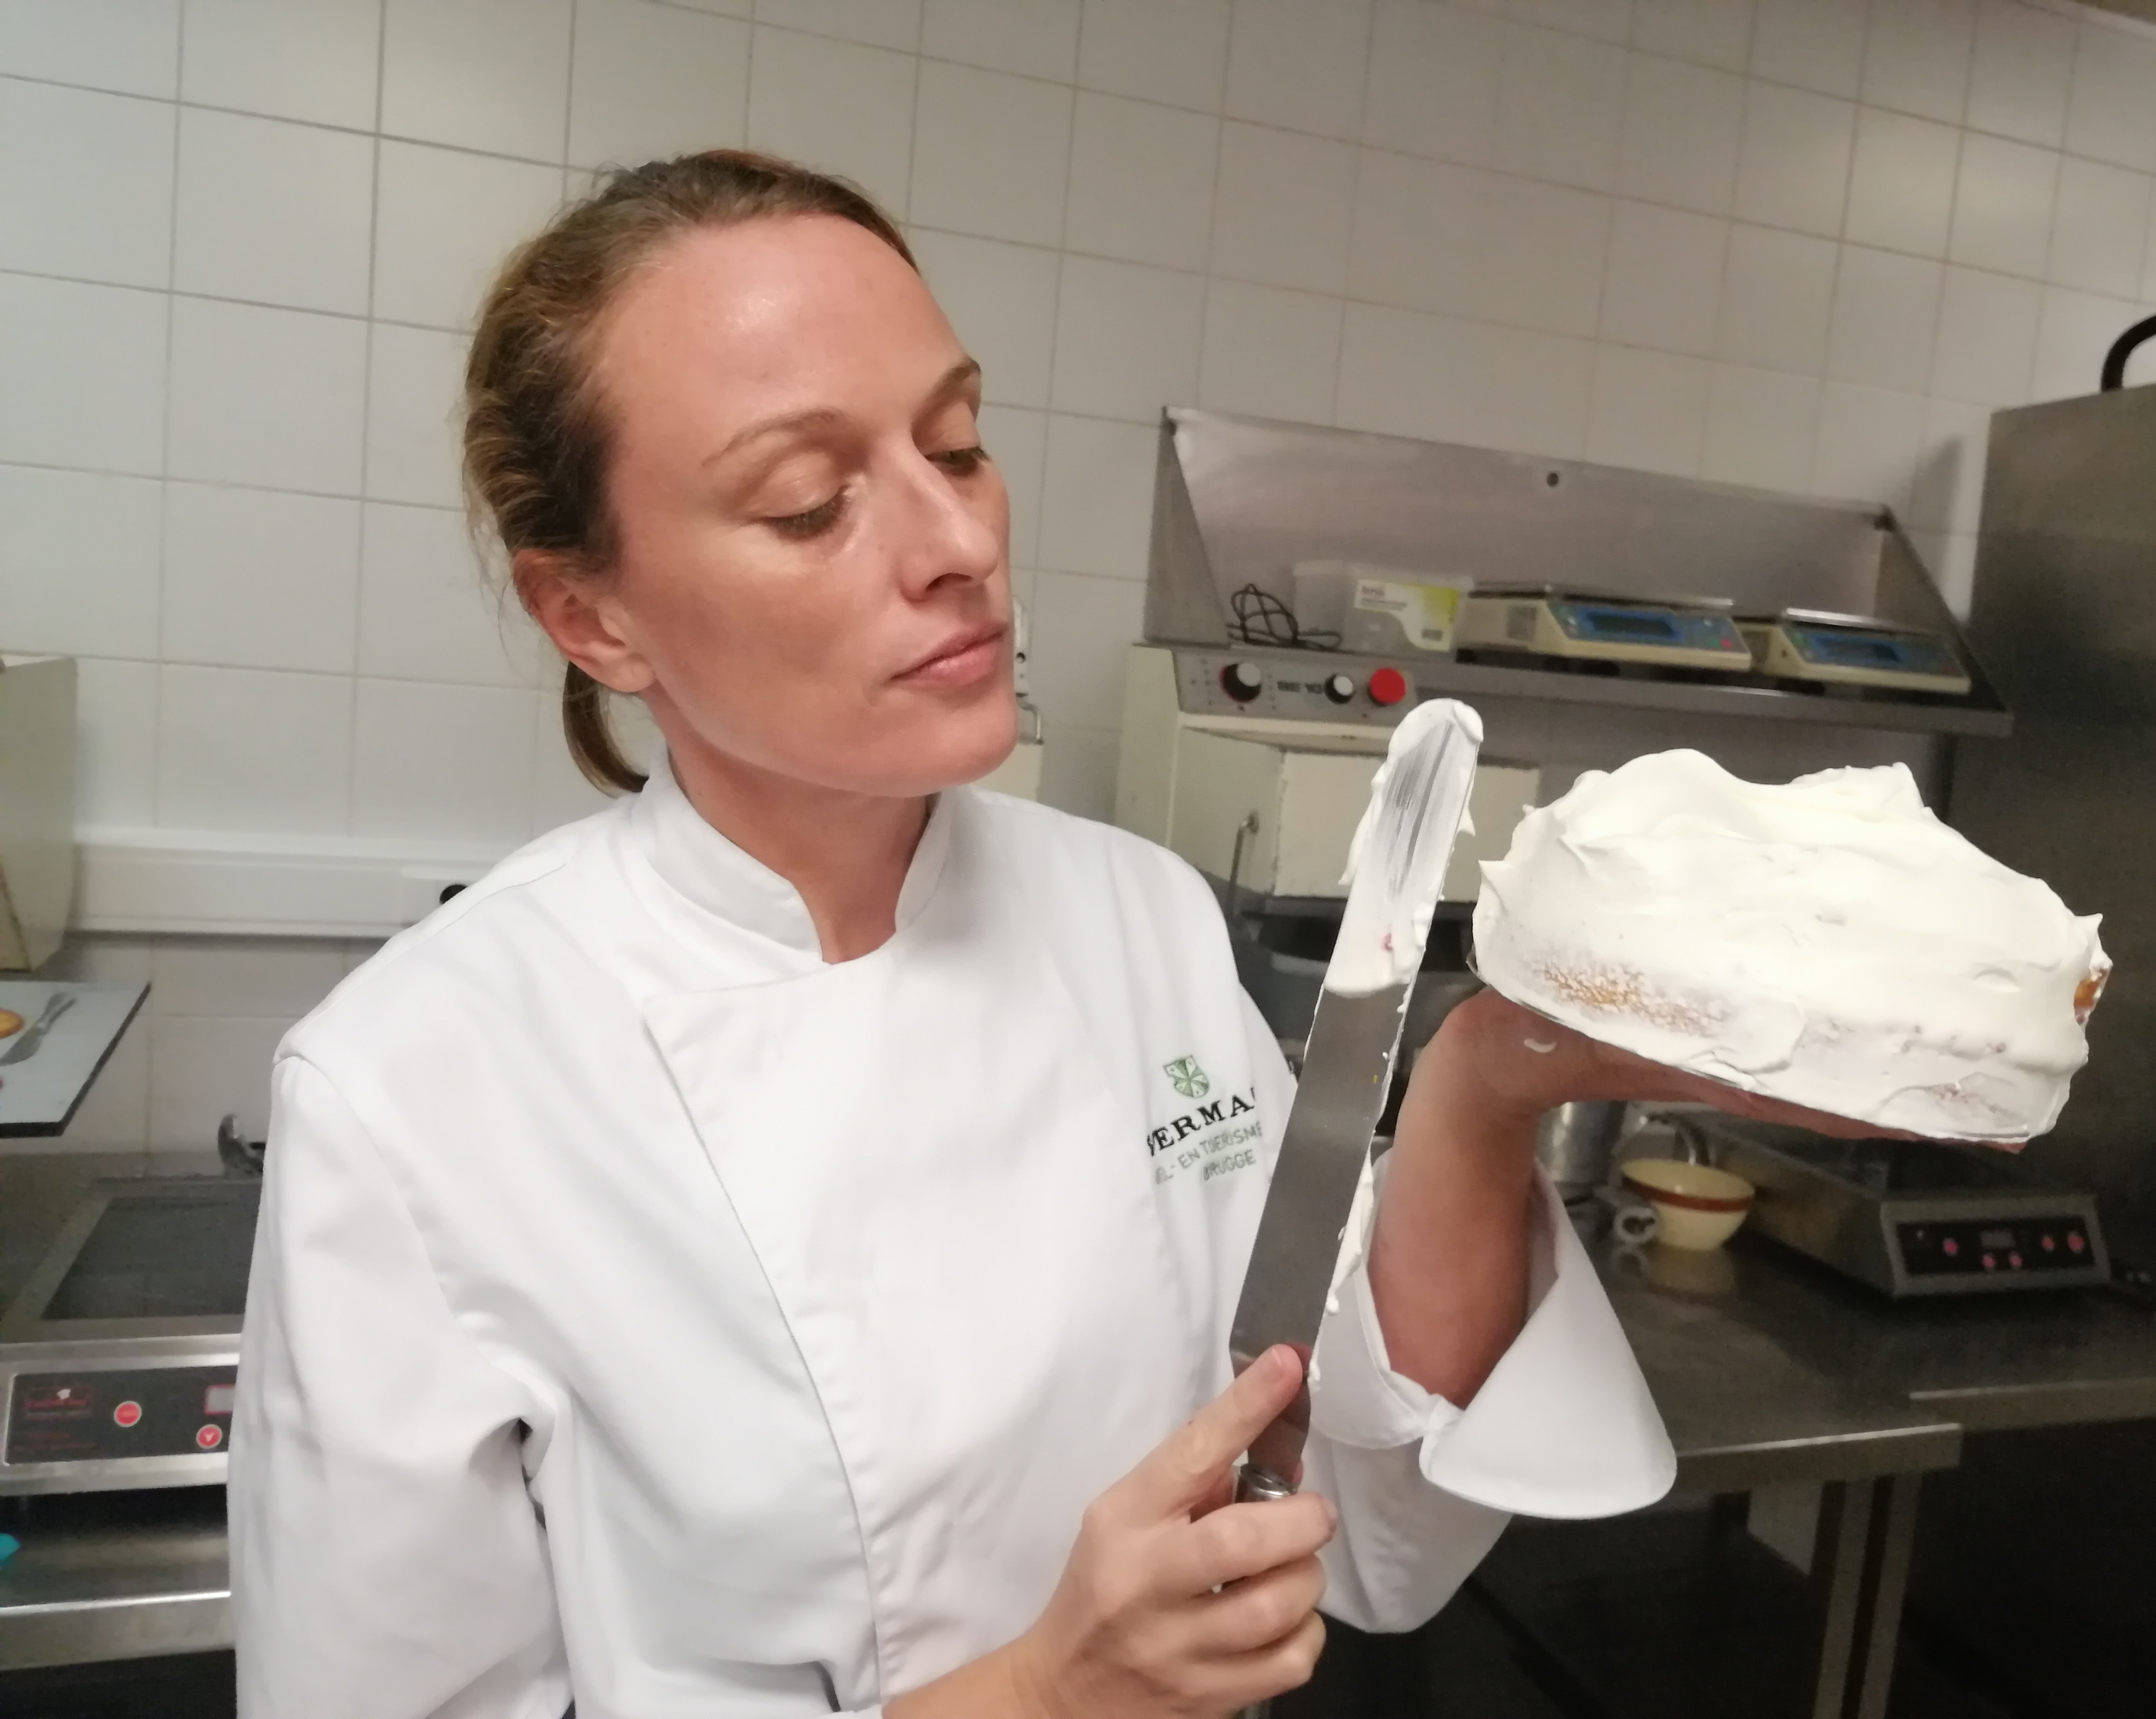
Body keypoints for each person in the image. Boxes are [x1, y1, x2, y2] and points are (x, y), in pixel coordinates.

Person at [227, 151, 1838, 1719]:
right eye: (807, 503)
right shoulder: (417, 1090)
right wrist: (1046, 1693)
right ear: (596, 617)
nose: (959, 542)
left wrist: (1487, 1081)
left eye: (958, 443)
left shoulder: (1136, 917)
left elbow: (1340, 1494)